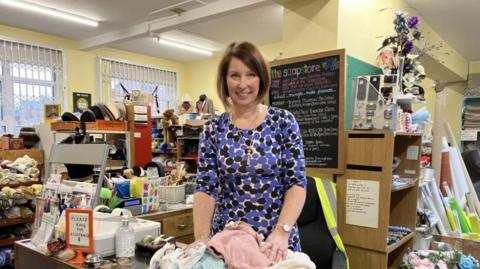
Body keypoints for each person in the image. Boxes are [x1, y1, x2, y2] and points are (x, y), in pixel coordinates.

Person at [192, 41, 307, 264]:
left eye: (251, 74)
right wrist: (201, 239)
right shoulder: (213, 129)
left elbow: (296, 183)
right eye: (235, 75)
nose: (243, 84)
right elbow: (206, 188)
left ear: (261, 78)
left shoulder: (283, 122)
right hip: (228, 244)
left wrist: (282, 232)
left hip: (275, 243)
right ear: (224, 81)